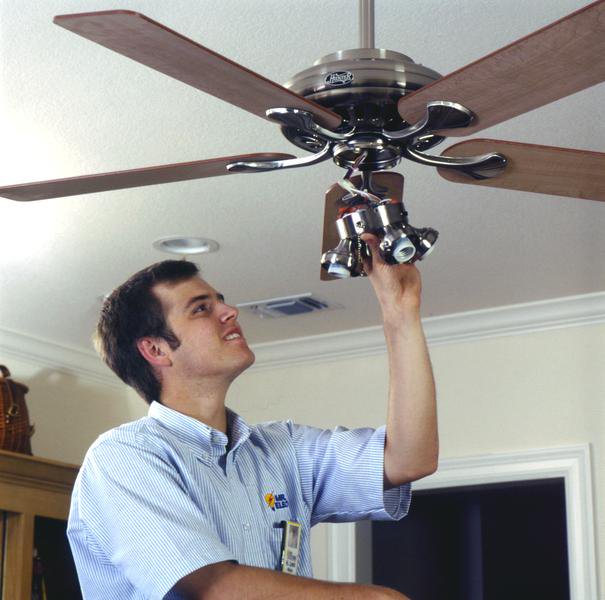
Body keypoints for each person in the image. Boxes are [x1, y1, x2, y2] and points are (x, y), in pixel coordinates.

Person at [67, 233, 438, 599]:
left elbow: (408, 459)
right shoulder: (124, 457)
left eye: (220, 302)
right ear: (156, 349)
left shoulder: (281, 450)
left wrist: (400, 310)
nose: (229, 312)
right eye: (201, 308)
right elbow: (213, 588)